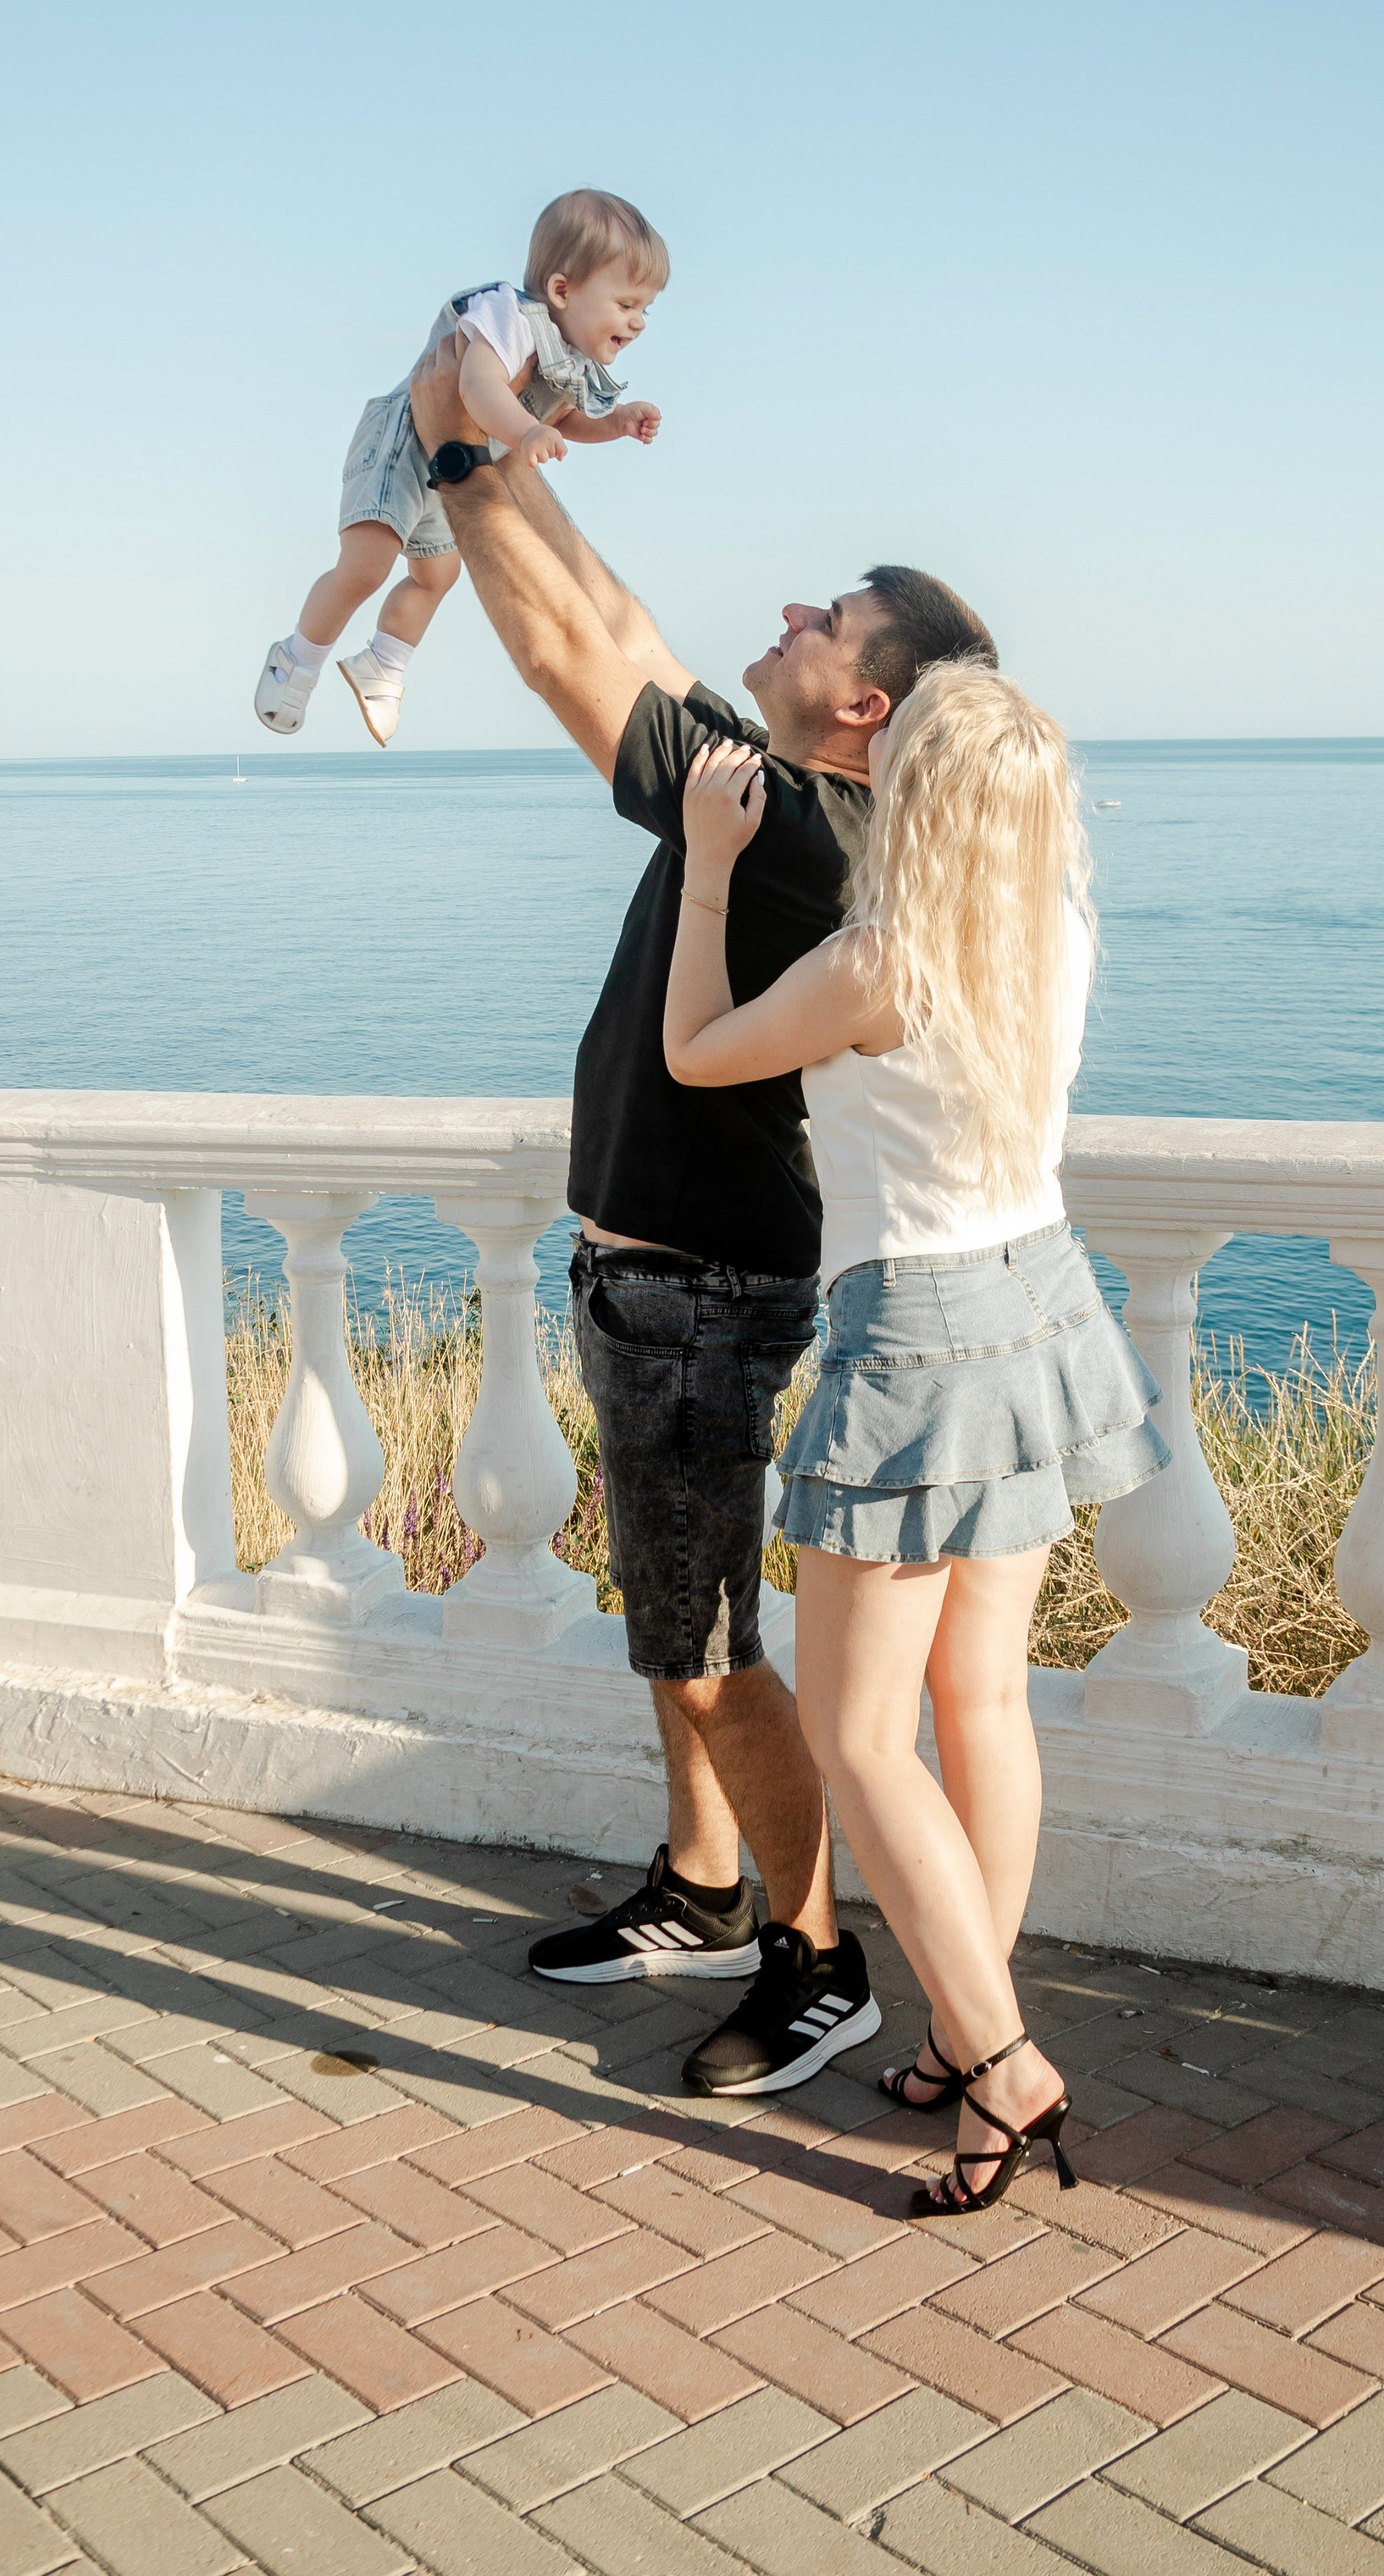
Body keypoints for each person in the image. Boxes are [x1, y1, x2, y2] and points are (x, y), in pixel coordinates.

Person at [407, 331, 995, 2093]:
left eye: (830, 618)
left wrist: (461, 468)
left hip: (702, 1290)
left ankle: (816, 1962)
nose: (795, 611)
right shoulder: (796, 800)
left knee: (707, 1638)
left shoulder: (798, 825)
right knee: (671, 1610)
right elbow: (618, 629)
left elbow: (573, 649)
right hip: (659, 1272)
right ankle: (699, 1884)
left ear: (861, 703)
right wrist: (490, 465)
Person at [661, 664, 1168, 2205]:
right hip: (1046, 1308)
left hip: (926, 1334)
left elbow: (698, 1052)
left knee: (861, 1736)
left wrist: (705, 869)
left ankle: (1004, 2065)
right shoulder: (1053, 933)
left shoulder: (882, 962)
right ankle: (965, 2033)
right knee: (985, 1704)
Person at [252, 189, 667, 750]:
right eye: (626, 304)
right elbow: (478, 385)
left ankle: (383, 662)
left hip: (455, 467)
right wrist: (525, 432)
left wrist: (614, 422)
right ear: (563, 290)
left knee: (436, 577)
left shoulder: (573, 361)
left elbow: (564, 419)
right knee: (367, 565)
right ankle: (296, 660)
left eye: (646, 308)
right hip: (405, 444)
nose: (638, 322)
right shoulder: (510, 316)